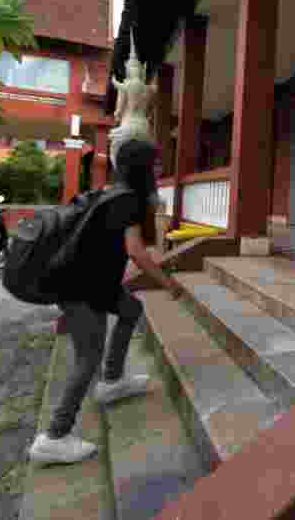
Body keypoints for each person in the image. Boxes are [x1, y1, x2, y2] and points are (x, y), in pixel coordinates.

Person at [28, 139, 188, 465]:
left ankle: (113, 380)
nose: (160, 169)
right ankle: (54, 436)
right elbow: (136, 252)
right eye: (155, 164)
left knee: (131, 308)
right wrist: (168, 283)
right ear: (143, 167)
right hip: (80, 286)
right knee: (88, 357)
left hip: (91, 282)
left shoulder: (115, 193)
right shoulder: (127, 199)